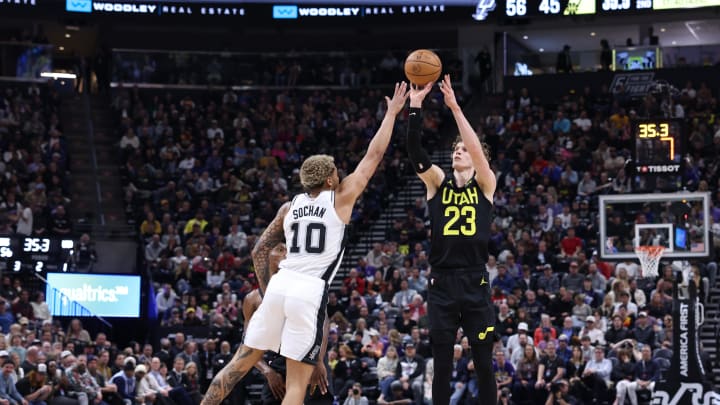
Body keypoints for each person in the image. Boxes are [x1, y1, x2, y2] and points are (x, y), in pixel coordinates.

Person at [201, 82, 410, 405]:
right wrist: (392, 113)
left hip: (281, 284)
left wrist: (268, 290)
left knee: (234, 368)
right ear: (329, 179)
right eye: (337, 171)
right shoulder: (341, 199)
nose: (341, 173)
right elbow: (374, 154)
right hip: (308, 291)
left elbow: (259, 249)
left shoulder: (290, 206)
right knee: (297, 387)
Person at [406, 74, 497, 405]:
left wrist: (456, 109)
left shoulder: (486, 183)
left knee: (485, 365)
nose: (458, 151)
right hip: (442, 283)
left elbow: (475, 148)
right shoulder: (437, 184)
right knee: (442, 366)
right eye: (455, 148)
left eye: (463, 149)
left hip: (475, 281)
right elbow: (414, 151)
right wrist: (415, 108)